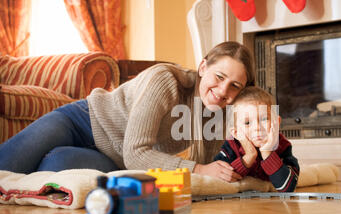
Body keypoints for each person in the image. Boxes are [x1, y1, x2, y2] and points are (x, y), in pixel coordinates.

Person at [0, 41, 255, 182]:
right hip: (81, 121)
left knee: (54, 164)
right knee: (6, 164)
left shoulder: (219, 112)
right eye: (219, 77)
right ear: (202, 67)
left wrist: (251, 156)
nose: (223, 90)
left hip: (113, 159)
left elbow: (214, 168)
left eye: (235, 86)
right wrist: (197, 169)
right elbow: (137, 154)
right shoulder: (165, 80)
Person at [213, 86, 299, 192]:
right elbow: (219, 181)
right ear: (236, 132)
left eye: (264, 119)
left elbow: (288, 188)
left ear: (277, 123)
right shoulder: (231, 146)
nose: (257, 128)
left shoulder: (282, 145)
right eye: (247, 122)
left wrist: (267, 152)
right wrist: (249, 156)